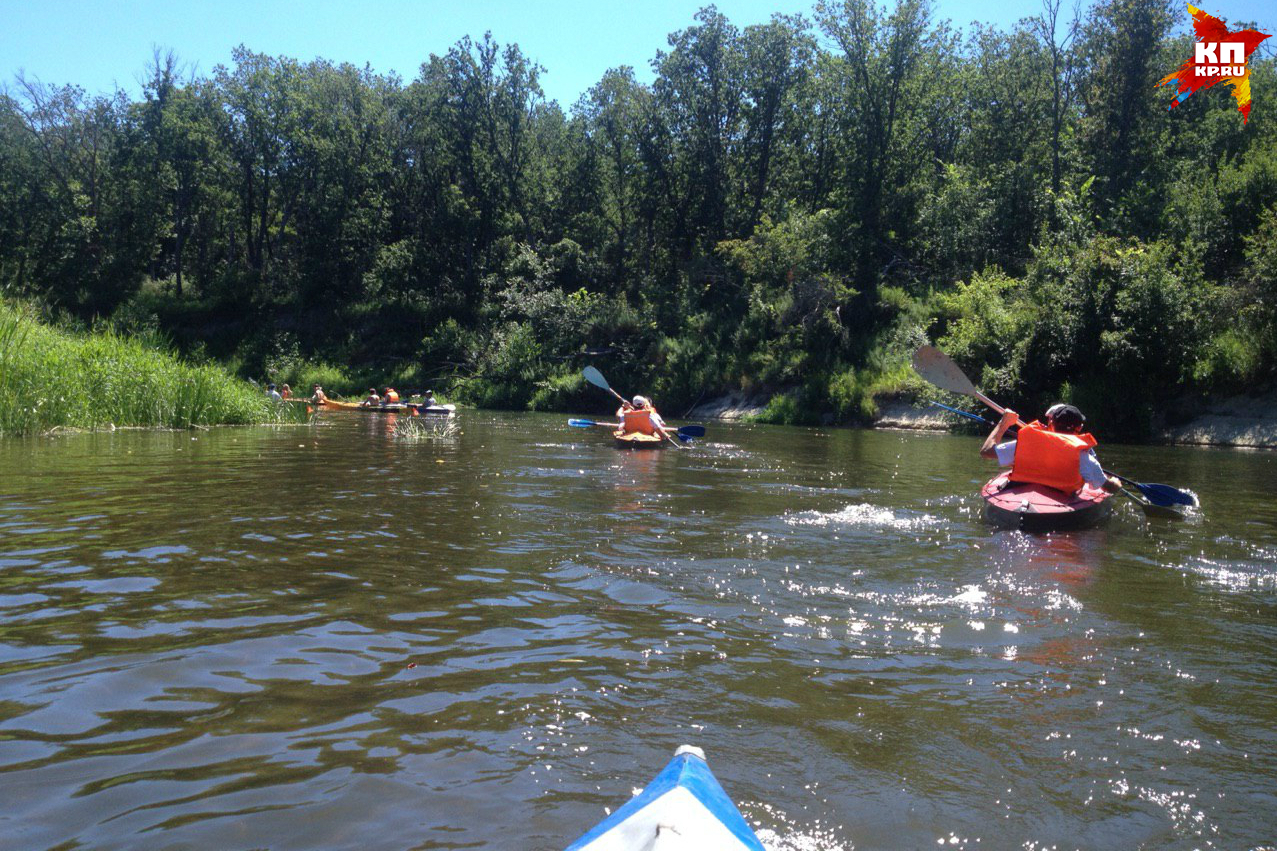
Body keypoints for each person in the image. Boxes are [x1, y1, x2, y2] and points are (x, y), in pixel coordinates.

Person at [980, 403, 1121, 494]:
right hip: (1059, 506)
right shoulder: (1084, 458)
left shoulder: (1026, 444)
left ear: (1051, 424)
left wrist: (1003, 423)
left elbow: (986, 452)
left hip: (1018, 493)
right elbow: (1109, 488)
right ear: (1079, 428)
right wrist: (1115, 482)